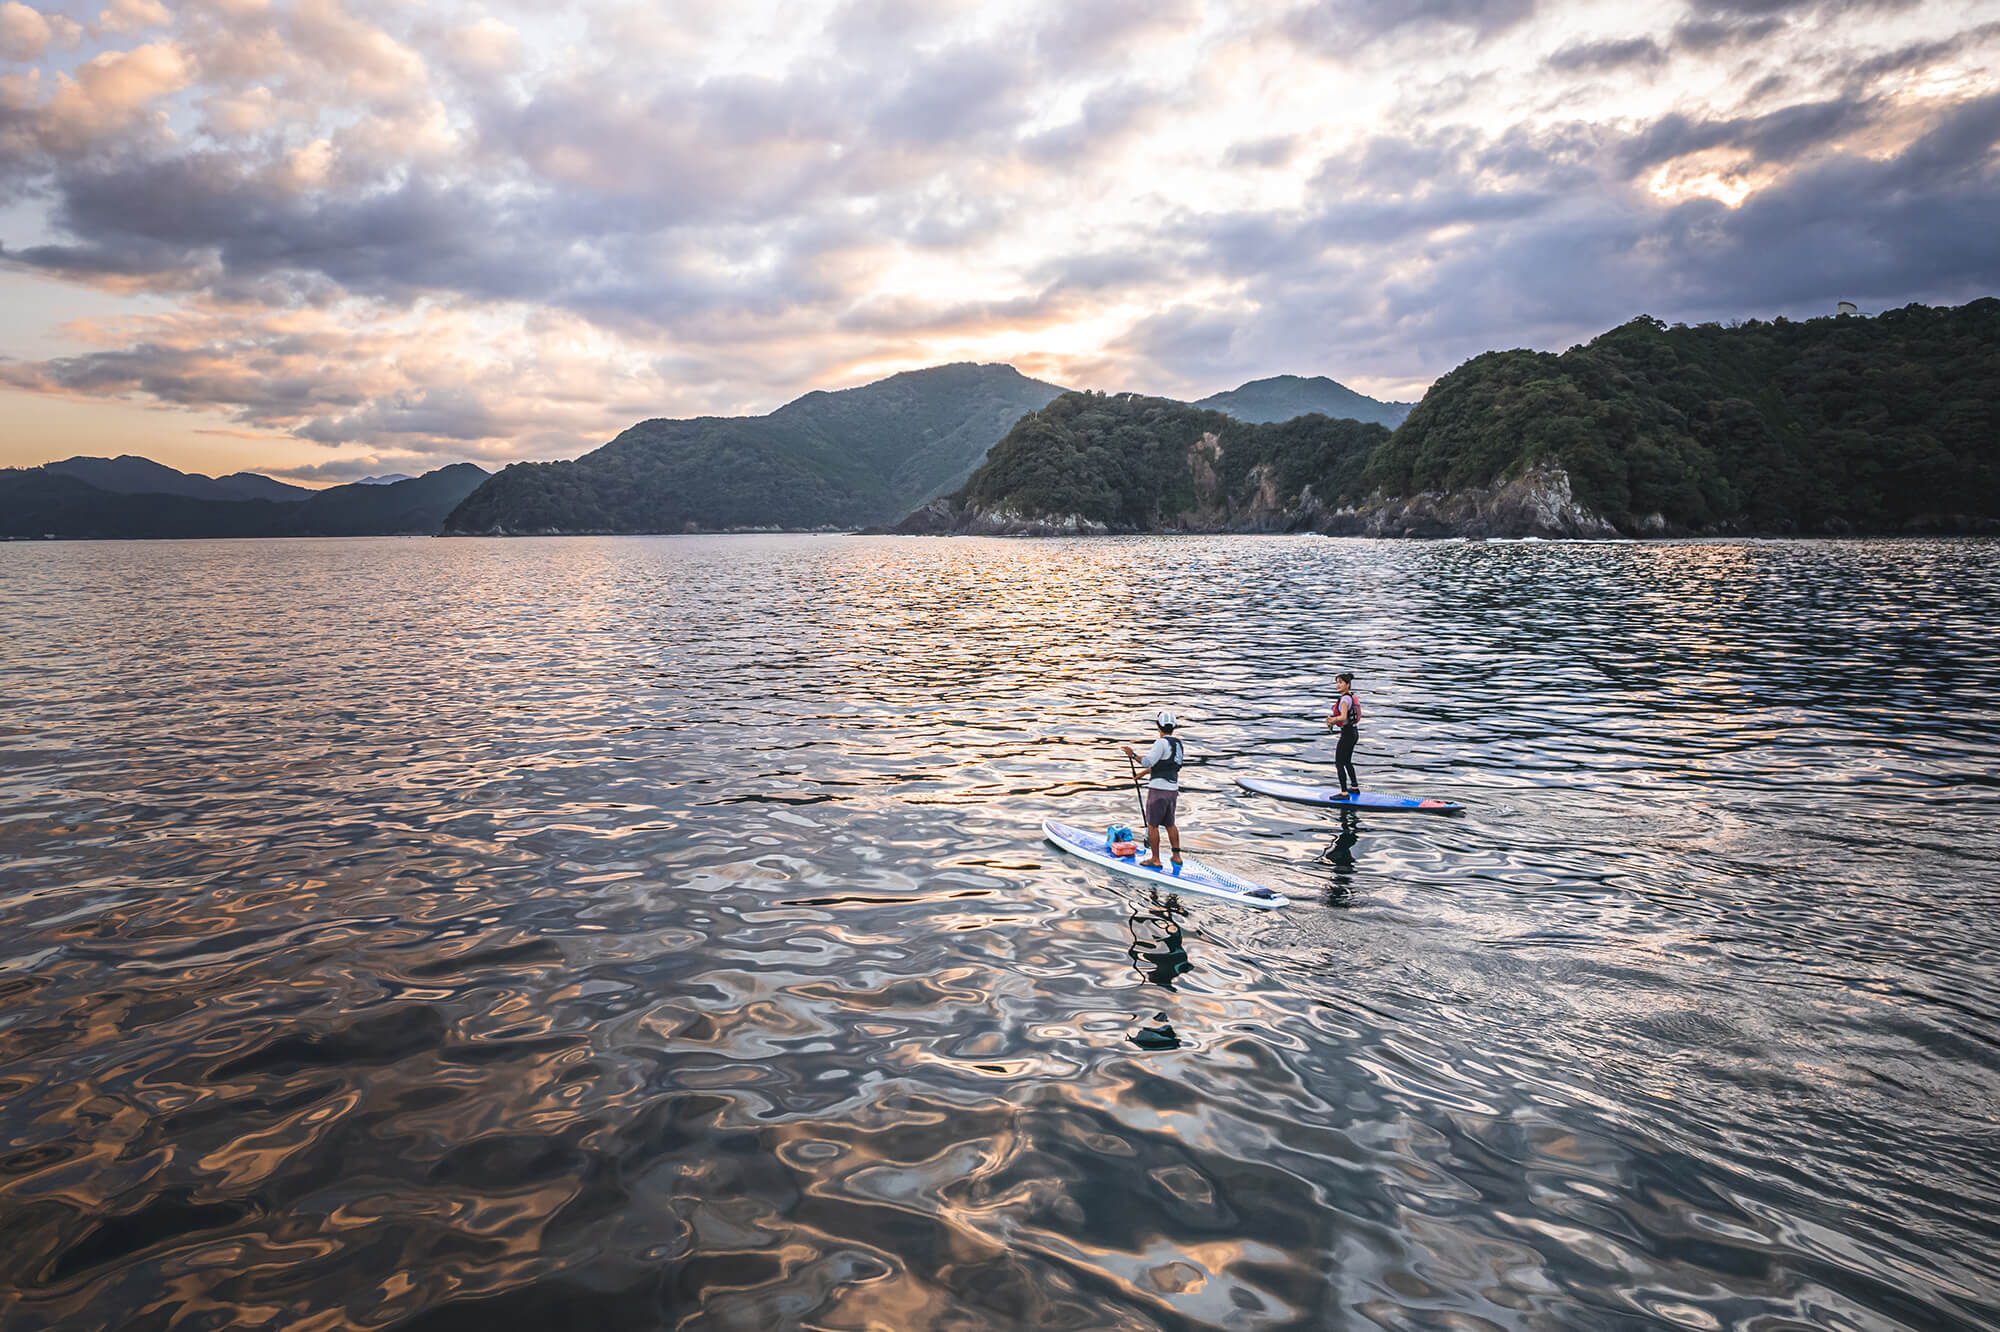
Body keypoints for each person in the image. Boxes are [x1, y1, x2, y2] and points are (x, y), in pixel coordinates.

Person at [1120, 710, 1185, 869]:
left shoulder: (1161, 743)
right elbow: (1167, 765)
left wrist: (1132, 754)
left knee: (1152, 825)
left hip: (1158, 790)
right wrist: (1144, 773)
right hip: (1172, 790)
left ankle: (1155, 859)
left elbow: (1147, 761)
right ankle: (1176, 856)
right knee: (1170, 824)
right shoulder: (1178, 744)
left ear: (1158, 726)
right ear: (1174, 727)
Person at [1326, 672, 1361, 798]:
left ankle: (1344, 793)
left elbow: (1343, 716)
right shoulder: (1350, 697)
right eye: (1337, 682)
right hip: (1354, 732)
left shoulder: (1345, 700)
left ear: (1348, 685)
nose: (1338, 685)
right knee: (1347, 761)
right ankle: (1355, 787)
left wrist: (1332, 720)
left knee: (1339, 763)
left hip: (1347, 734)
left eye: (1341, 682)